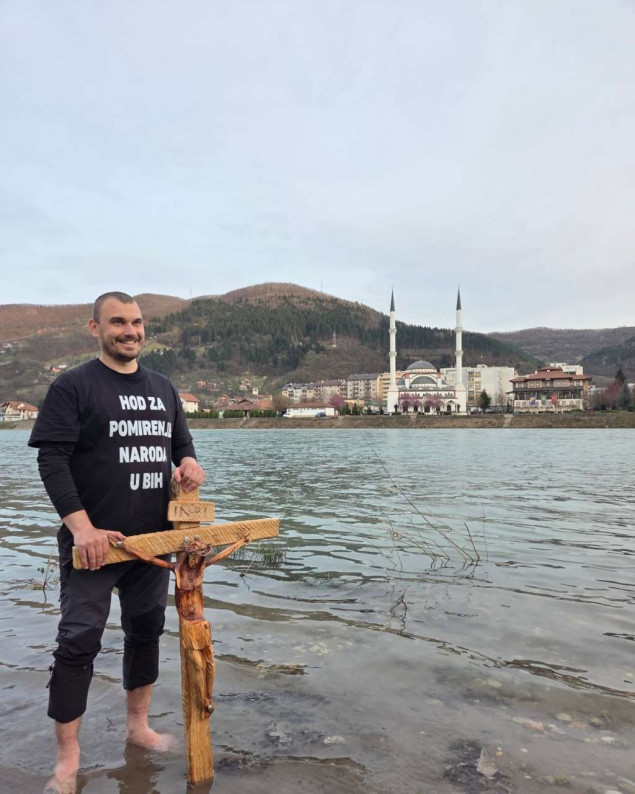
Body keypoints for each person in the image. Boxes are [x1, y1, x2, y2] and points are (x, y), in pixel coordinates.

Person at [29, 291, 206, 794]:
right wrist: (81, 528)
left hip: (153, 543)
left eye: (136, 322)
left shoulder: (163, 388)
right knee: (78, 642)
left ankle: (138, 729)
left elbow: (183, 448)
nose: (130, 331)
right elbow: (52, 460)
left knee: (145, 631)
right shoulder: (73, 386)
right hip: (95, 544)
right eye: (118, 322)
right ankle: (68, 759)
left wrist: (189, 466)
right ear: (94, 327)